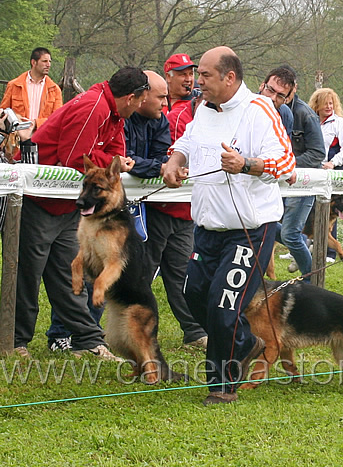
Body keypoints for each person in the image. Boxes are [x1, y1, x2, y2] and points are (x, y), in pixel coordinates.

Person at [162, 46, 295, 405]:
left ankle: (222, 387)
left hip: (249, 229)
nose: (197, 81)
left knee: (224, 306)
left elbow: (287, 165)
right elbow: (186, 142)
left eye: (204, 75)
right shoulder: (202, 109)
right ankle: (245, 342)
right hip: (206, 228)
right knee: (192, 295)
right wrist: (174, 161)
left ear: (230, 77)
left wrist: (246, 164)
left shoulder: (261, 110)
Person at [14, 67, 148, 359]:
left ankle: (86, 339)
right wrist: (114, 163)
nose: (140, 106)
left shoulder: (113, 113)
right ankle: (15, 341)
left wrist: (117, 162)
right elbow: (75, 157)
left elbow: (115, 154)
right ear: (130, 97)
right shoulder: (93, 106)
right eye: (140, 100)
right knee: (28, 273)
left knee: (71, 273)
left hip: (69, 204)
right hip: (40, 199)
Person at [122, 70, 208, 348]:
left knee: (183, 274)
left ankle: (194, 332)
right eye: (161, 97)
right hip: (156, 209)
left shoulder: (161, 118)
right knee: (142, 274)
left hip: (186, 212)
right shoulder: (176, 118)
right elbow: (158, 161)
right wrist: (161, 167)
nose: (164, 103)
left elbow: (156, 158)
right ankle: (136, 333)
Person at [276, 65, 325, 277]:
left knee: (289, 234)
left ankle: (310, 280)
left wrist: (289, 165)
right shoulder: (263, 110)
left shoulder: (306, 114)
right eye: (275, 90)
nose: (280, 96)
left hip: (303, 180)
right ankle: (303, 249)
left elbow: (318, 153)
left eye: (285, 91)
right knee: (266, 226)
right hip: (275, 179)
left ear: (294, 88)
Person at [308, 87, 343, 261]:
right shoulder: (311, 121)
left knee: (330, 208)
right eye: (325, 103)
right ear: (316, 105)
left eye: (331, 103)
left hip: (332, 171)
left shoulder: (339, 123)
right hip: (313, 171)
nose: (328, 107)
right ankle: (303, 244)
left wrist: (332, 163)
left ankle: (330, 252)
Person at [0, 47, 62, 133]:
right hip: (16, 138)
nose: (48, 65)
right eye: (44, 61)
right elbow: (4, 111)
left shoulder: (54, 90)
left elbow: (57, 118)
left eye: (50, 61)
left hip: (41, 136)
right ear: (33, 62)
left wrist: (36, 123)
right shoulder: (14, 85)